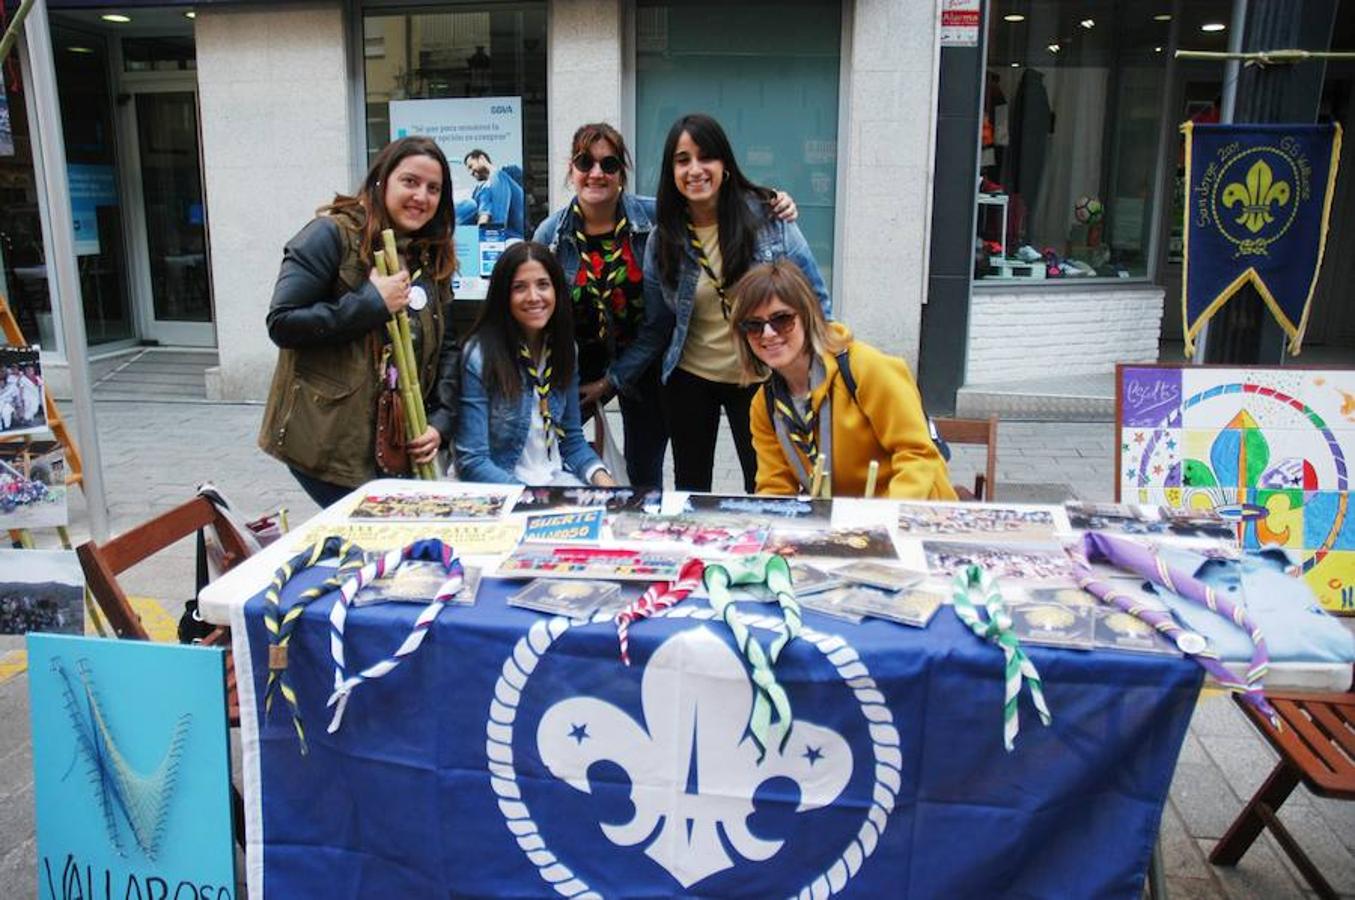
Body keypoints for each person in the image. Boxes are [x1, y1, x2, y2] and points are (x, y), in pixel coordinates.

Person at [534, 123, 799, 488]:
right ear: (571, 169)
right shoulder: (551, 236)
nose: (596, 173)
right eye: (585, 162)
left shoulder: (657, 219)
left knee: (645, 475)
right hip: (577, 370)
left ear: (622, 173)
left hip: (647, 364)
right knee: (557, 462)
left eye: (609, 164)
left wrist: (771, 201)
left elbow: (711, 209)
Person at [609, 113, 828, 493]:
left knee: (767, 486)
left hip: (760, 377)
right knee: (692, 489)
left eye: (705, 157)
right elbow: (658, 325)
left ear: (724, 165)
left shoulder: (769, 219)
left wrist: (823, 371)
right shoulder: (664, 239)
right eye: (682, 160)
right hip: (691, 378)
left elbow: (817, 299)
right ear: (671, 172)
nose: (695, 169)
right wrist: (612, 379)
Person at [258, 136, 461, 507]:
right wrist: (371, 303)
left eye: (434, 189)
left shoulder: (428, 256)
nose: (422, 196)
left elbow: (447, 348)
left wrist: (442, 423)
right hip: (328, 445)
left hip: (400, 444)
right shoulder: (329, 235)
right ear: (382, 180)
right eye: (410, 181)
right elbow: (282, 323)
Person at [730, 259, 956, 500]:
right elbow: (775, 488)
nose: (768, 333)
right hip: (841, 525)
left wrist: (881, 522)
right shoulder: (764, 405)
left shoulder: (866, 368)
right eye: (753, 325)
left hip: (913, 516)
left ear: (808, 316)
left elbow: (918, 455)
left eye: (781, 319)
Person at [455, 242, 617, 487]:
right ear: (503, 296)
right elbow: (473, 461)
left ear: (557, 291)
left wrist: (605, 481)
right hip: (503, 490)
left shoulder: (565, 350)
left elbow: (571, 440)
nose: (533, 297)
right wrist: (532, 498)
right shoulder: (480, 354)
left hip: (556, 483)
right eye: (519, 287)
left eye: (543, 285)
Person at [463, 149, 526, 239]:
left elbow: (499, 222)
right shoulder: (483, 189)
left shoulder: (501, 175)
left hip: (513, 233)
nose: (471, 173)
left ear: (481, 159)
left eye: (471, 166)